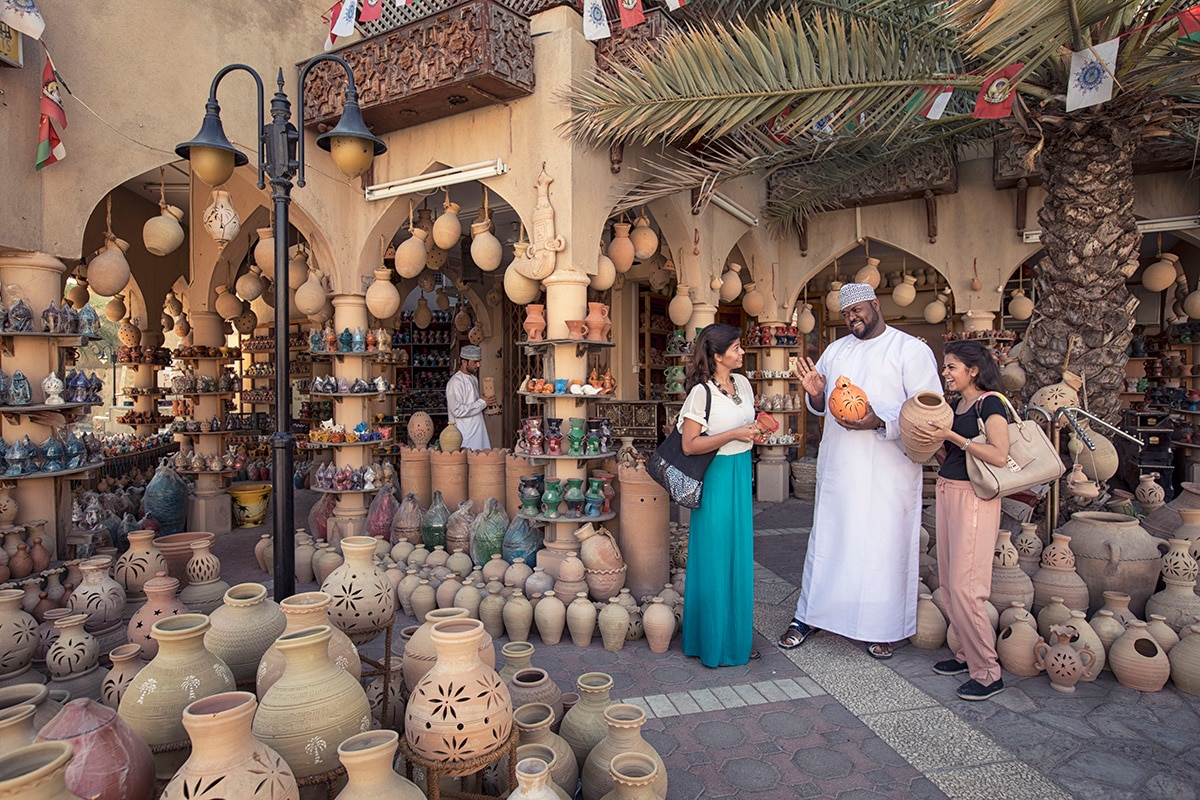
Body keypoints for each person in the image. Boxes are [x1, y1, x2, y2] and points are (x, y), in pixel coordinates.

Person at [777, 283, 941, 659]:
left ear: (875, 305)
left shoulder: (909, 350)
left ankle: (883, 627)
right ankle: (811, 615)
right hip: (841, 467)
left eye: (858, 310)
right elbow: (821, 402)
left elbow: (930, 411)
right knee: (831, 542)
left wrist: (879, 421)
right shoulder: (836, 350)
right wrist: (815, 392)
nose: (852, 318)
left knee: (885, 547)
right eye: (847, 313)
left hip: (890, 471)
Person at [906, 340, 1011, 701]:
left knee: (968, 587)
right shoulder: (955, 406)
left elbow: (999, 454)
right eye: (945, 366)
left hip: (975, 497)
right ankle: (967, 655)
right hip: (949, 491)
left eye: (951, 367)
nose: (945, 373)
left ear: (973, 370)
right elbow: (948, 452)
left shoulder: (990, 403)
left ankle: (988, 673)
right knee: (950, 583)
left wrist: (952, 436)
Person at [678, 323, 761, 667]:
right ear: (717, 354)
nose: (742, 352)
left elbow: (744, 426)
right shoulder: (702, 393)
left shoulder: (743, 384)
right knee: (714, 556)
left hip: (741, 472)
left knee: (738, 555)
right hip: (716, 476)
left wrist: (753, 433)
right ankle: (711, 642)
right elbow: (689, 444)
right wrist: (733, 434)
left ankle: (736, 640)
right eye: (736, 347)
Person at [445, 344, 495, 450]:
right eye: (474, 362)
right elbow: (457, 410)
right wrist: (482, 402)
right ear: (464, 362)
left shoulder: (473, 379)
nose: (478, 365)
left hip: (478, 432)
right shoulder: (455, 382)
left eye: (479, 361)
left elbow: (474, 404)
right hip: (465, 435)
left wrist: (487, 404)